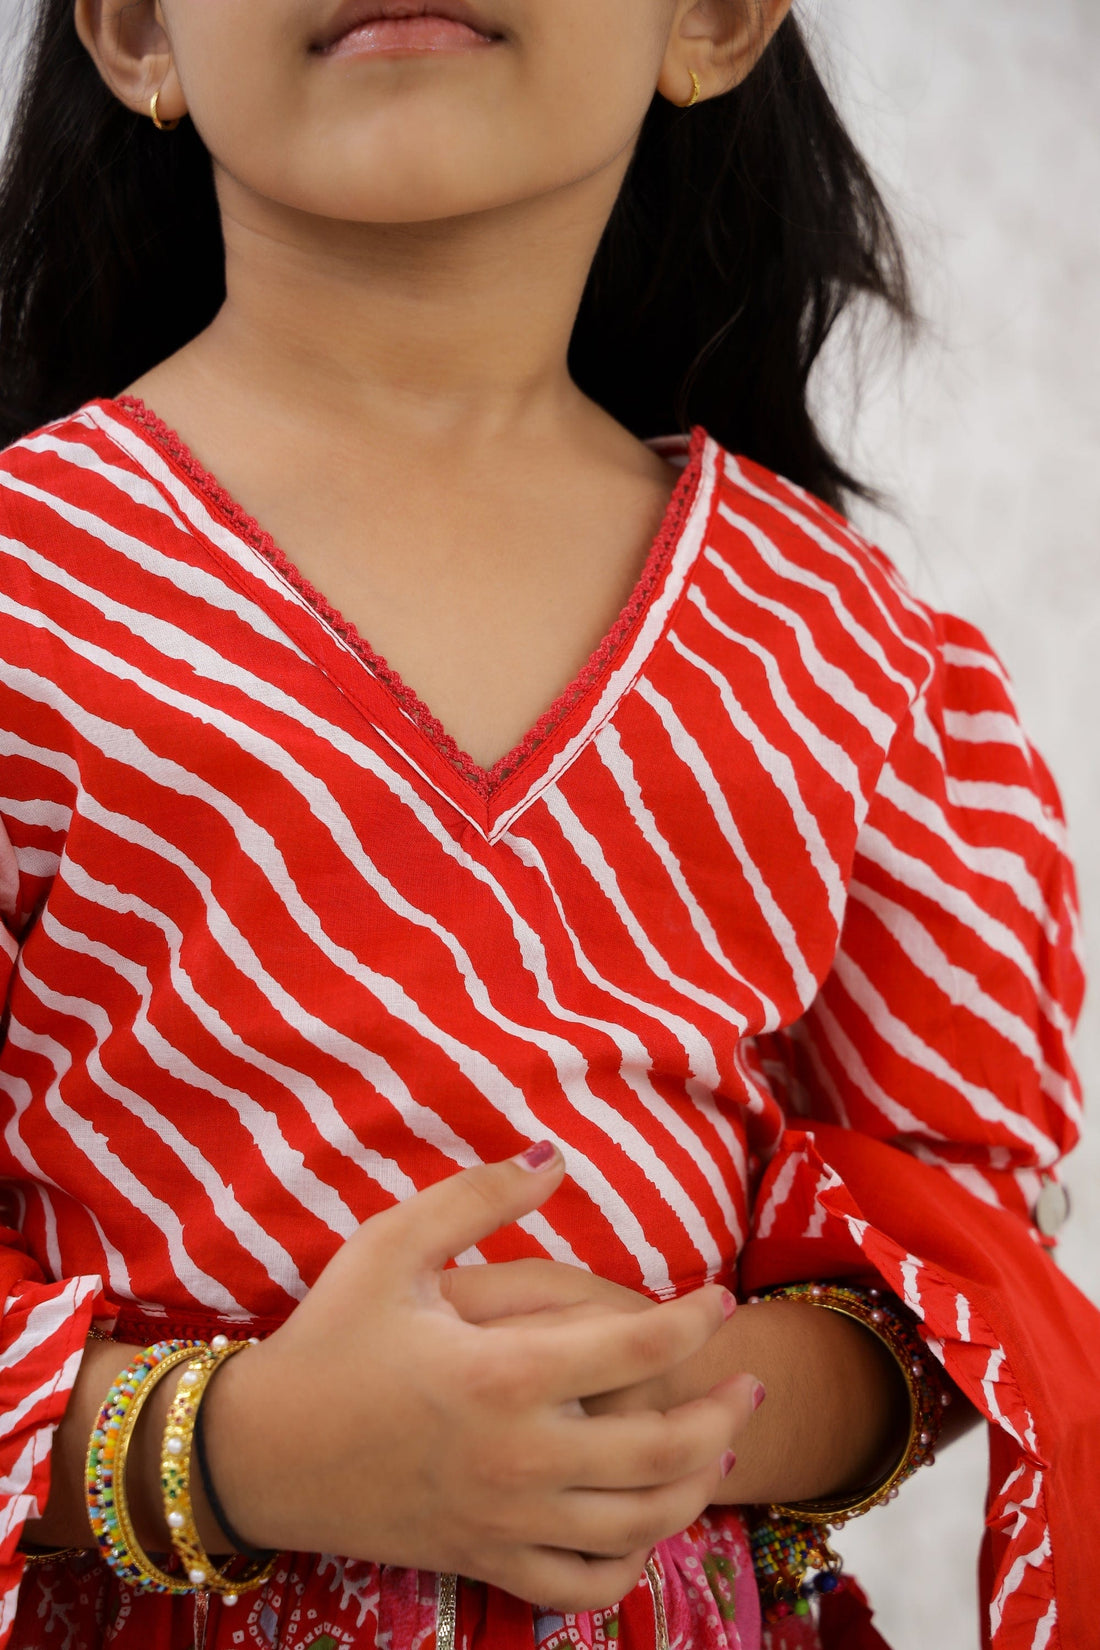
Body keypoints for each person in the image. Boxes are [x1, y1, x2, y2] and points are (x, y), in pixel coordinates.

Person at [0, 1, 1095, 1647]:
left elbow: (960, 1261)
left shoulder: (849, 656)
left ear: (713, 21)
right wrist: (242, 1452)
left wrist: (668, 1412)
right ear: (140, 32)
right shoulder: (28, 599)